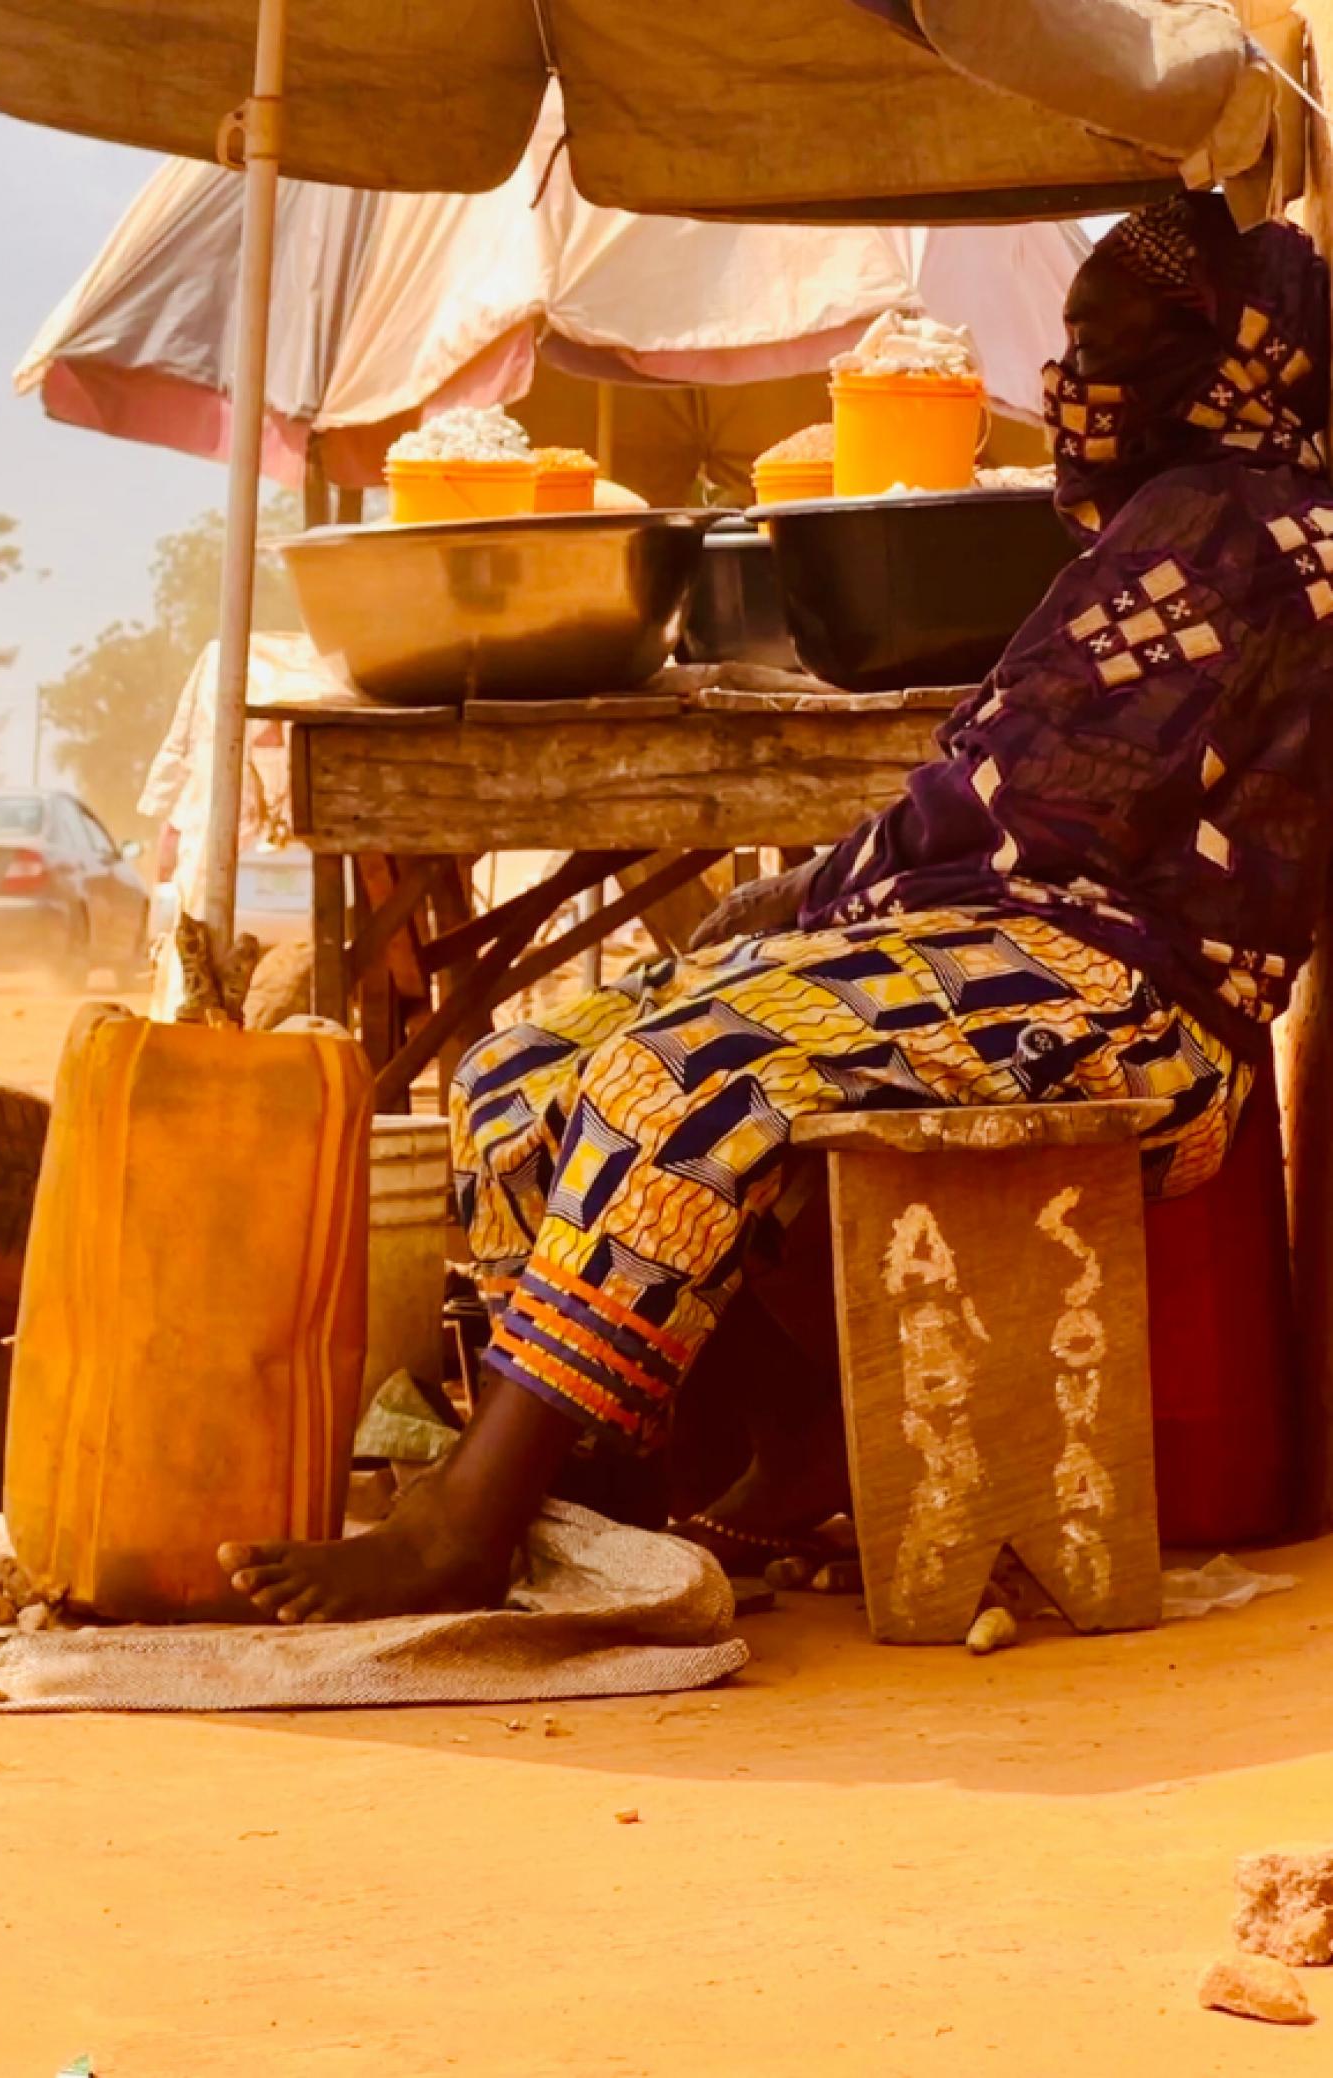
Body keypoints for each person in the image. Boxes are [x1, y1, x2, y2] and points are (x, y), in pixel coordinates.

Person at [225, 196, 1333, 1620]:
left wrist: (800, 897)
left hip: (1125, 1001)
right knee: (517, 1069)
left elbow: (1031, 802)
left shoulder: (1235, 528)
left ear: (1205, 365)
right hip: (1013, 948)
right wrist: (799, 897)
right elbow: (1022, 788)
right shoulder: (1193, 521)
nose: (1065, 385)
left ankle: (469, 1519)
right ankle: (609, 1482)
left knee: (682, 1072)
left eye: (1099, 345)